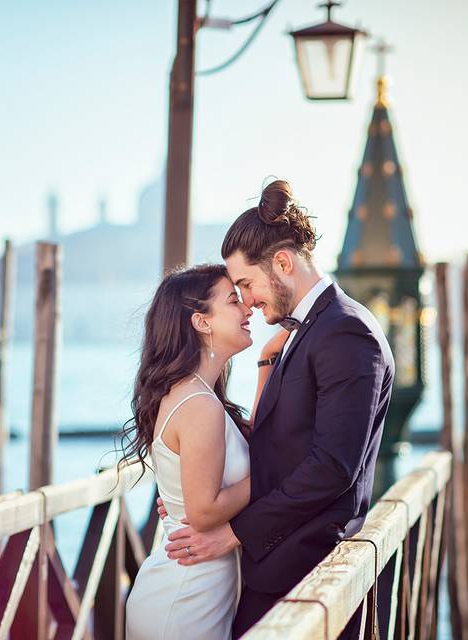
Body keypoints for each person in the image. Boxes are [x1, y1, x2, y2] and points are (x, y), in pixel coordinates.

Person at [160, 179, 396, 638]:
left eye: (246, 283)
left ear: (283, 263)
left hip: (308, 578)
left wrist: (236, 532)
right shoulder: (309, 332)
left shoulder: (345, 333)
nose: (245, 300)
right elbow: (282, 442)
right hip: (281, 570)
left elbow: (331, 467)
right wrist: (189, 483)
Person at [121, 263, 286, 640]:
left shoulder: (200, 396)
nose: (247, 309)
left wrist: (264, 365)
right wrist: (272, 476)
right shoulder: (198, 404)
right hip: (184, 598)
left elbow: (253, 445)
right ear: (202, 322)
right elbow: (204, 510)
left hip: (197, 588)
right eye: (233, 301)